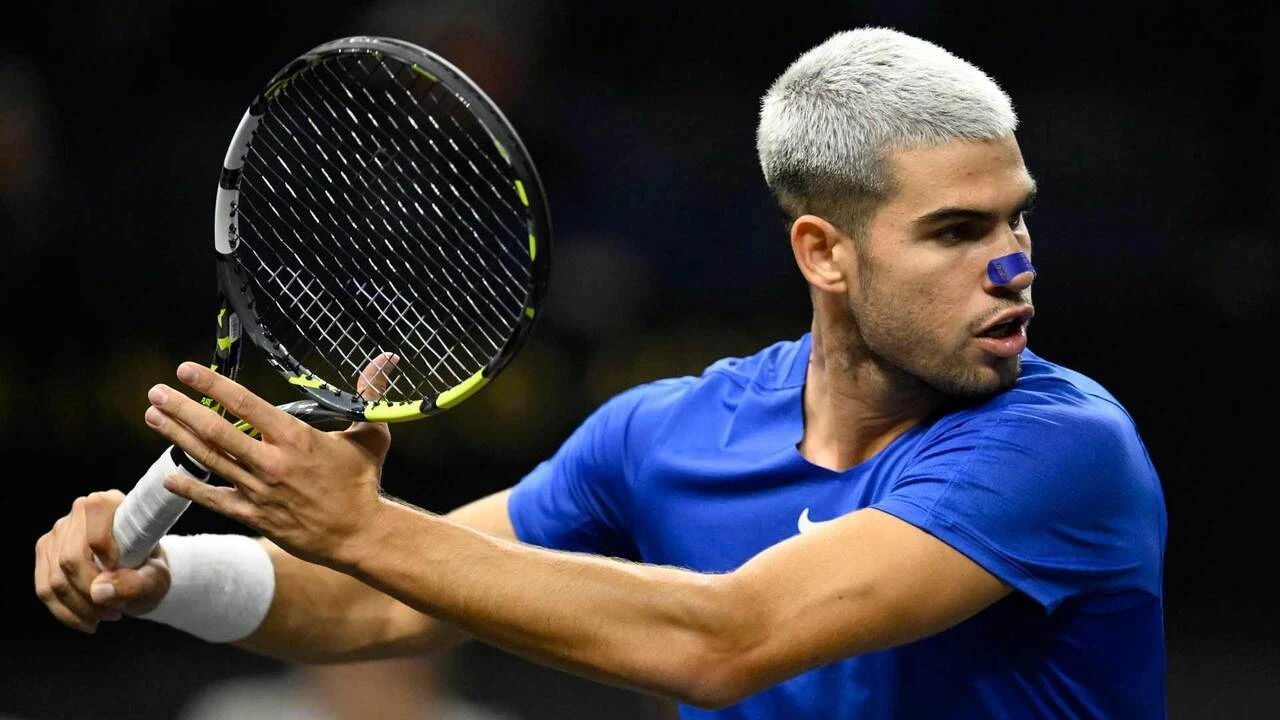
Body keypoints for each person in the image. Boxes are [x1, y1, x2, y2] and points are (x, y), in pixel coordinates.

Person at [34, 27, 1167, 719]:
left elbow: (725, 642)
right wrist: (164, 578)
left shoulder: (1060, 446)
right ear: (824, 252)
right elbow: (374, 606)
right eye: (957, 231)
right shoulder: (659, 433)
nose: (1013, 266)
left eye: (1017, 219)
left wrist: (363, 526)